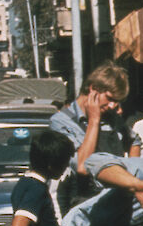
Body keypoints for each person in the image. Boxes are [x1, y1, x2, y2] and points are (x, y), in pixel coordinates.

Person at [50, 60, 137, 207]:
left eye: (117, 101)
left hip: (117, 202)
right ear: (93, 89)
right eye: (109, 98)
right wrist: (94, 121)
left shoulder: (112, 119)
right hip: (84, 205)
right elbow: (82, 166)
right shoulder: (61, 122)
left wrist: (130, 176)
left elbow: (135, 141)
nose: (113, 106)